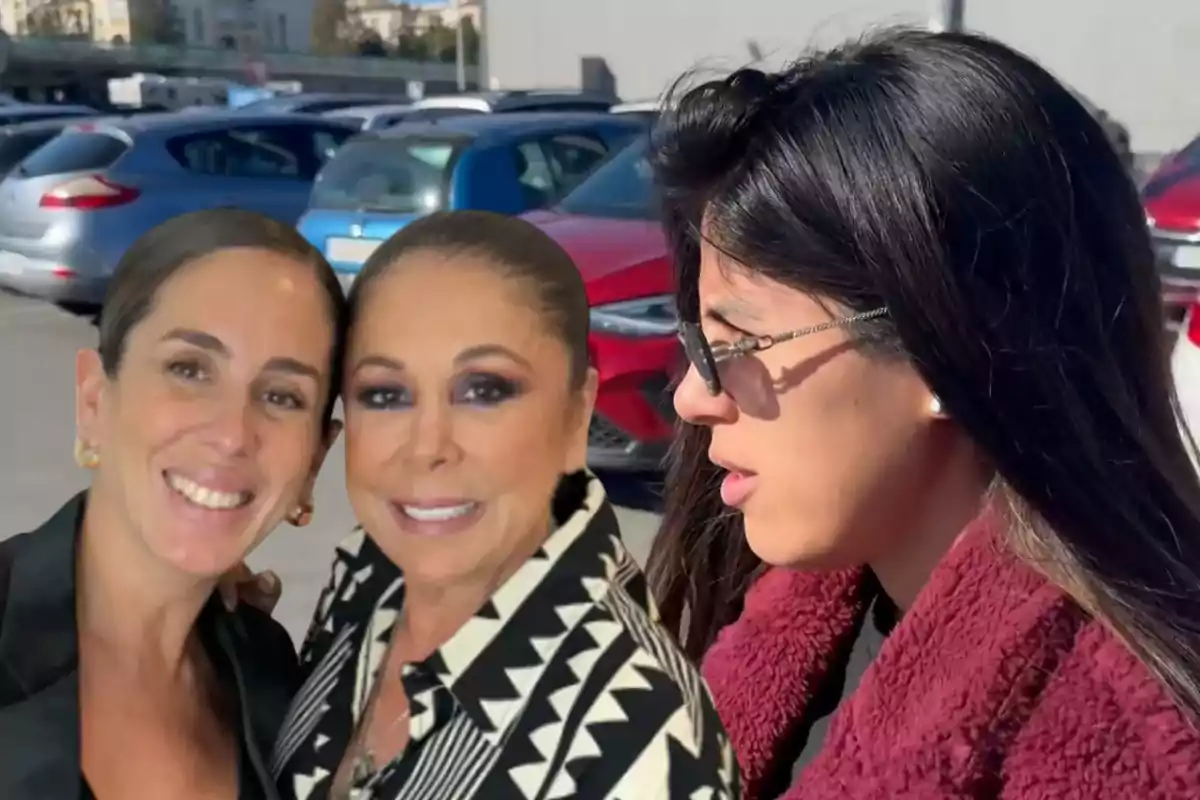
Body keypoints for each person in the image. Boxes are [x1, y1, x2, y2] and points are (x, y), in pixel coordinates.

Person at [645, 28, 1200, 800]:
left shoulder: (1136, 755)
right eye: (703, 342)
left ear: (949, 345)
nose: (693, 396)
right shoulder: (791, 627)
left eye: (744, 341)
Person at [272, 211, 739, 800]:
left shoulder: (640, 744)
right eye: (384, 394)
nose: (428, 445)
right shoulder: (368, 573)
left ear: (577, 413)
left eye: (485, 390)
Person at [0, 209, 346, 800]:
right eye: (189, 369)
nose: (233, 433)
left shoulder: (271, 676)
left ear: (315, 459)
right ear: (93, 401)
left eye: (283, 395)